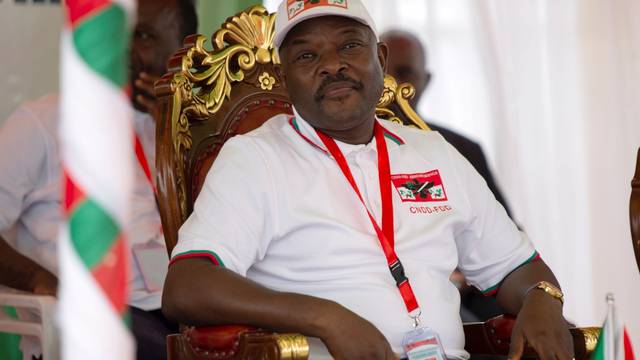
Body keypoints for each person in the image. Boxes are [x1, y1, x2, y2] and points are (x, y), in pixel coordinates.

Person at [162, 1, 573, 359]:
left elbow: (519, 268)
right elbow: (188, 286)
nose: (332, 65)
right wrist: (325, 317)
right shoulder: (254, 159)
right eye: (306, 56)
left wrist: (542, 298)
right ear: (285, 79)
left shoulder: (434, 152)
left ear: (380, 57)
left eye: (349, 45)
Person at [0, 0, 197, 359]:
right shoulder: (42, 123)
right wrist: (40, 281)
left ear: (185, 50)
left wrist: (175, 126)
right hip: (103, 312)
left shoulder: (192, 127)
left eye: (143, 36)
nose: (123, 47)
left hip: (189, 307)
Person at [382, 30, 507, 323]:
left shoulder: (458, 148)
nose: (392, 85)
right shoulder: (347, 149)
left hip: (468, 290)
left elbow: (502, 236)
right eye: (386, 72)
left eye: (404, 73)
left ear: (426, 80)